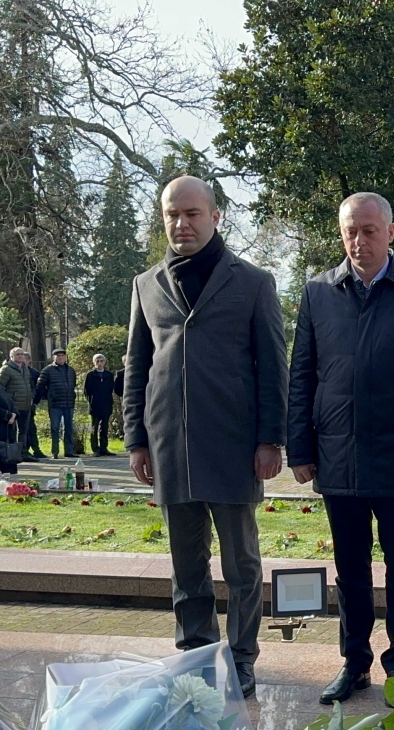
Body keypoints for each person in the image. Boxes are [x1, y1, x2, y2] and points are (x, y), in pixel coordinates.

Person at [288, 192, 394, 705]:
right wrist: (300, 447)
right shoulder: (318, 292)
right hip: (338, 455)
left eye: (368, 230)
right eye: (349, 232)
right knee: (350, 569)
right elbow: (302, 375)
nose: (358, 241)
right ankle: (354, 662)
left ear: (389, 232)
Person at [124, 175, 289, 699]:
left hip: (235, 446)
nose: (182, 224)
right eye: (173, 214)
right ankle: (195, 653)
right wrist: (136, 440)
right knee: (185, 565)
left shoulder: (253, 282)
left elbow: (272, 366)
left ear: (216, 216)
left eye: (193, 213)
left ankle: (241, 659)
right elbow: (137, 366)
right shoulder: (146, 285)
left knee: (242, 565)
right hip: (170, 446)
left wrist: (271, 439)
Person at [36, 349, 77, 458]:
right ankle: (55, 452)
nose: (60, 357)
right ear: (54, 357)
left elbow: (74, 384)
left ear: (65, 357)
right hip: (55, 405)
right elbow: (40, 385)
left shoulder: (71, 370)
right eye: (58, 355)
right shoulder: (47, 370)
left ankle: (69, 451)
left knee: (68, 428)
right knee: (55, 428)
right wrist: (48, 396)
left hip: (69, 404)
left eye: (62, 355)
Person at [0, 348, 36, 462]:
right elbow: (1, 388)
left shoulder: (25, 369)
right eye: (17, 354)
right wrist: (8, 402)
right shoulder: (6, 370)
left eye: (22, 354)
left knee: (24, 431)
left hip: (26, 405)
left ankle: (23, 453)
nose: (21, 356)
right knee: (13, 432)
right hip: (13, 407)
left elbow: (29, 385)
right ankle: (13, 454)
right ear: (11, 357)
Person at [84, 354, 116, 456]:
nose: (99, 363)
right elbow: (86, 390)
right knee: (94, 427)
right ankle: (95, 449)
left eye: (101, 361)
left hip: (106, 404)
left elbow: (111, 389)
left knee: (105, 427)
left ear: (104, 362)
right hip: (95, 405)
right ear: (94, 363)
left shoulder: (109, 375)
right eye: (97, 361)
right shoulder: (90, 375)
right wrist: (91, 401)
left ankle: (104, 448)